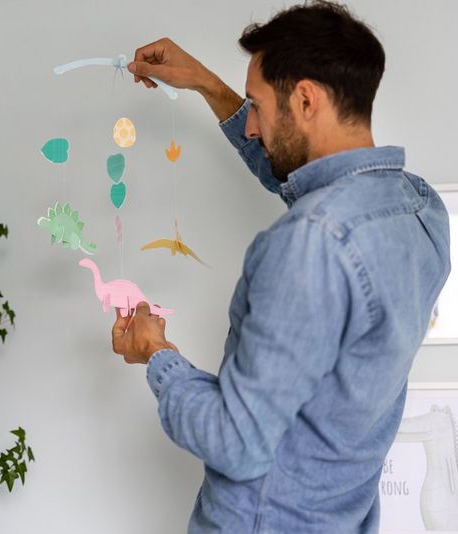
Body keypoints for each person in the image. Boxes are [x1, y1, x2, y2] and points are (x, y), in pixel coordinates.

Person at [111, 2, 451, 532]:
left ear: (306, 100)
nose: (251, 126)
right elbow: (310, 184)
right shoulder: (421, 210)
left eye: (257, 105)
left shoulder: (309, 242)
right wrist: (206, 84)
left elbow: (234, 442)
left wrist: (155, 353)